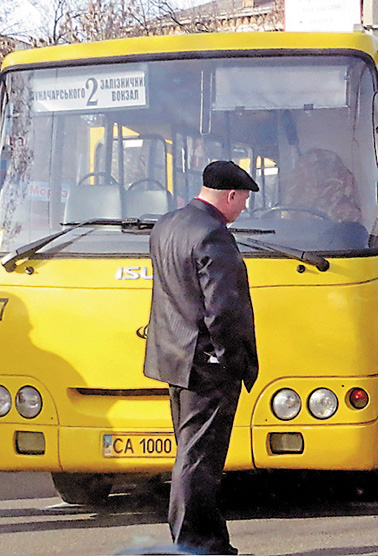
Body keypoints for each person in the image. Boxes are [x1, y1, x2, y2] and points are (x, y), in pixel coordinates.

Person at [143, 160, 260, 555]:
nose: (243, 207)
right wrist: (231, 359)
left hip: (175, 358)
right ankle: (194, 543)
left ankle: (211, 539)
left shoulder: (167, 225)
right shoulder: (213, 234)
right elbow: (224, 308)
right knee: (200, 458)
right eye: (243, 199)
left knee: (192, 451)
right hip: (207, 363)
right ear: (230, 195)